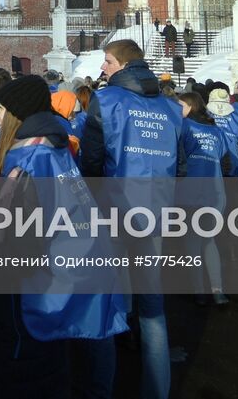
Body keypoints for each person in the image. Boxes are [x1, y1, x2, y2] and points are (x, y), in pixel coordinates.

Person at [0, 75, 127, 399]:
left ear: (18, 114)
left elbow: (3, 241)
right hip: (79, 271)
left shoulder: (28, 160)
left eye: (2, 108)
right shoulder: (54, 146)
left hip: (47, 285)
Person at [79, 38, 184, 399]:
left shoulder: (106, 100)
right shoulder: (171, 107)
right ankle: (157, 389)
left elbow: (91, 161)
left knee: (109, 298)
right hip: (156, 212)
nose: (103, 67)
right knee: (153, 306)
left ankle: (101, 387)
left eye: (107, 61)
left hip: (115, 209)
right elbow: (180, 165)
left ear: (123, 65)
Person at [177, 91, 229, 305]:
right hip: (214, 191)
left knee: (192, 242)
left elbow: (177, 156)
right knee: (208, 241)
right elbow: (224, 155)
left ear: (190, 107)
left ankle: (198, 290)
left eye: (180, 105)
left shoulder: (184, 127)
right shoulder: (216, 130)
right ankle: (217, 290)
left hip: (189, 191)